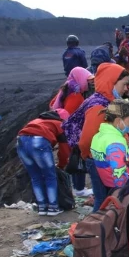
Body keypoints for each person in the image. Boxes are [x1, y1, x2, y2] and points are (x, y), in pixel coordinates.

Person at [63, 63, 129, 212]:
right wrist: (95, 157)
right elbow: (86, 140)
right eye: (124, 84)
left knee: (105, 199)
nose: (126, 89)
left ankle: (100, 229)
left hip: (101, 158)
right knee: (102, 200)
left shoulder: (106, 102)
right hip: (99, 160)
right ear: (111, 82)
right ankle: (96, 230)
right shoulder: (99, 107)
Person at [50, 66, 94, 197]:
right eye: (88, 80)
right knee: (78, 158)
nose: (90, 83)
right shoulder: (75, 95)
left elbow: (54, 104)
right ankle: (79, 188)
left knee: (75, 158)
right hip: (73, 131)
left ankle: (76, 187)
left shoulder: (68, 89)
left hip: (68, 131)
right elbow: (70, 115)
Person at [17, 109, 70, 216]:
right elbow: (64, 150)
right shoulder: (60, 124)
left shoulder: (37, 121)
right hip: (39, 141)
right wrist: (61, 165)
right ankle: (53, 207)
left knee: (35, 177)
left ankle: (42, 206)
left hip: (21, 141)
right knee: (50, 176)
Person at [90, 100, 129, 209]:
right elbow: (118, 172)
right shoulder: (115, 142)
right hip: (118, 187)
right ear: (118, 121)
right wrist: (126, 192)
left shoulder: (98, 136)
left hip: (107, 182)